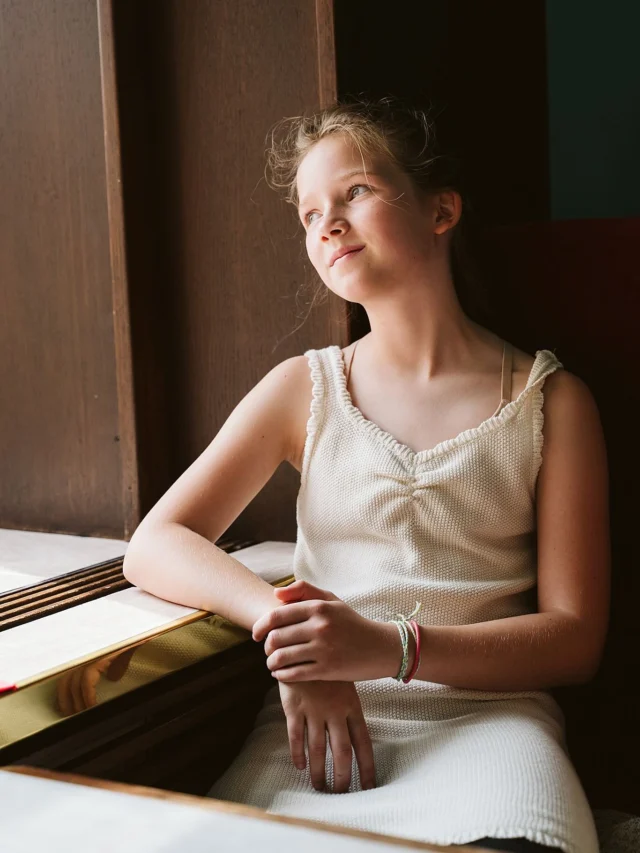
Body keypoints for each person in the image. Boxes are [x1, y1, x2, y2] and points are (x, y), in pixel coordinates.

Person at [123, 96, 610, 852]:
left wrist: (390, 648)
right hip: (315, 731)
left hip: (493, 729)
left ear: (441, 210)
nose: (327, 224)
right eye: (309, 214)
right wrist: (293, 636)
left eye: (354, 192)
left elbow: (574, 641)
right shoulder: (304, 387)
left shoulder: (551, 401)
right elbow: (155, 541)